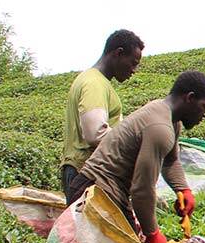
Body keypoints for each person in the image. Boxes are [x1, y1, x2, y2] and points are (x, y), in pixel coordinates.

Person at [67, 70, 205, 243]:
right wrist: (152, 233)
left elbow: (171, 161)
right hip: (94, 193)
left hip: (108, 193)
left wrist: (183, 189)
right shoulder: (160, 128)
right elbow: (142, 189)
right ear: (190, 98)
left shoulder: (169, 118)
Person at [60, 29, 145, 196]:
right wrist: (135, 146)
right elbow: (95, 133)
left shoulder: (94, 80)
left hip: (83, 171)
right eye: (133, 63)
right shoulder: (94, 83)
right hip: (86, 173)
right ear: (118, 53)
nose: (134, 70)